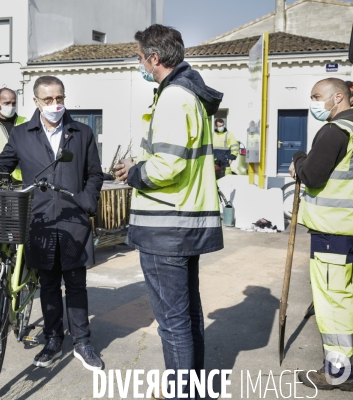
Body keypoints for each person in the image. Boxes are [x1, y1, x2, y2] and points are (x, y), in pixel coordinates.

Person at [0, 76, 104, 371]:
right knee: (49, 284)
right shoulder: (23, 134)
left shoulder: (82, 133)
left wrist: (88, 200)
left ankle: (82, 342)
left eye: (60, 98)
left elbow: (94, 173)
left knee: (76, 284)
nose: (56, 105)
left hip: (73, 217)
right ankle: (53, 339)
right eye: (49, 100)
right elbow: (3, 164)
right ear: (37, 102)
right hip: (38, 218)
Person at [115, 25, 223, 399]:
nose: (139, 64)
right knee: (188, 315)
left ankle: (181, 392)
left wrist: (134, 172)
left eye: (140, 57)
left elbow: (167, 166)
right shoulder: (186, 94)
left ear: (155, 58)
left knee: (173, 322)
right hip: (183, 221)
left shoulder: (175, 97)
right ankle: (191, 389)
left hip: (166, 227)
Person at [290, 77, 353, 392]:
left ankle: (340, 373)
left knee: (334, 306)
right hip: (348, 230)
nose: (313, 102)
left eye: (317, 96)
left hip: (333, 234)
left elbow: (313, 175)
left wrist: (298, 159)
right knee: (348, 300)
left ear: (338, 97)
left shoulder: (334, 132)